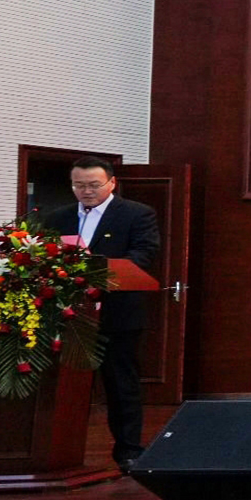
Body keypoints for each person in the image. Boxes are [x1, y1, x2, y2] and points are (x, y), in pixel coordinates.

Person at [40, 157, 160, 470]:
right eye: (79, 185)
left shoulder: (137, 214)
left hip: (117, 314)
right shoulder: (57, 217)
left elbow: (143, 254)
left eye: (94, 185)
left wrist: (93, 270)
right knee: (63, 386)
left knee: (121, 385)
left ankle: (129, 451)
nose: (86, 191)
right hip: (68, 315)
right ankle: (59, 453)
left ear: (111, 183)